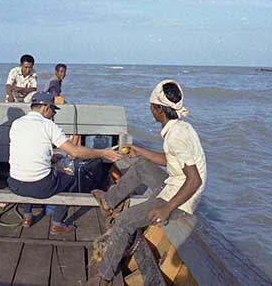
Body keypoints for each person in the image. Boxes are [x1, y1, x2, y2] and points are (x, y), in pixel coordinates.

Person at [87, 80, 206, 285]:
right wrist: (139, 151)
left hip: (181, 199)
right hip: (175, 185)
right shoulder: (179, 127)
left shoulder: (176, 135)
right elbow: (169, 160)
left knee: (125, 221)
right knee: (142, 165)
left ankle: (104, 278)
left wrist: (167, 208)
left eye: (151, 106)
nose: (150, 110)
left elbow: (194, 180)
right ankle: (108, 200)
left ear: (159, 109)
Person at [7, 91, 122, 235]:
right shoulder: (48, 125)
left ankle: (27, 216)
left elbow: (28, 151)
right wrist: (103, 153)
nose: (53, 115)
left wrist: (50, 159)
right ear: (46, 108)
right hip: (40, 187)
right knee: (70, 179)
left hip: (14, 184)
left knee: (29, 172)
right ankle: (57, 224)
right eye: (53, 110)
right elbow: (75, 152)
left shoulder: (17, 123)